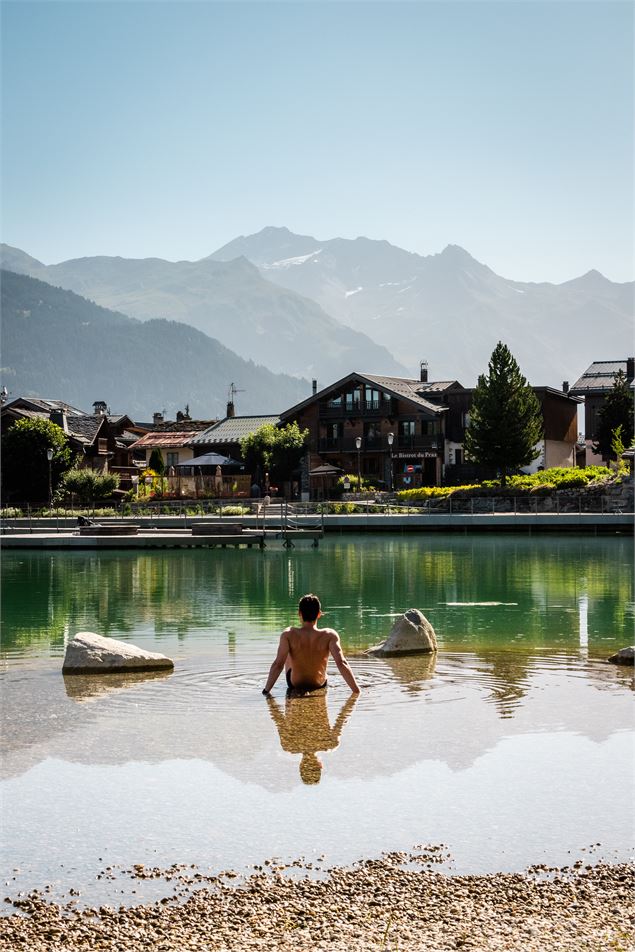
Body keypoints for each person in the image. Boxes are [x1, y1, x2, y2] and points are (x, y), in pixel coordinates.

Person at [262, 594, 360, 696]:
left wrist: (266, 691)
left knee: (286, 654)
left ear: (299, 613)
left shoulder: (288, 634)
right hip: (319, 684)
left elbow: (278, 665)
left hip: (295, 684)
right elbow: (342, 663)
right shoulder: (330, 635)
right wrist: (356, 691)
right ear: (319, 614)